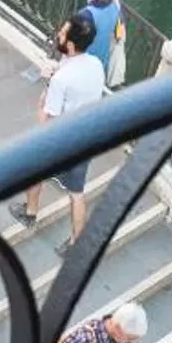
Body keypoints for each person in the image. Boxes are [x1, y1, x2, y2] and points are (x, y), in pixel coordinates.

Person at [16, 13, 109, 246]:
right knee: (76, 193)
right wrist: (57, 70)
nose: (58, 33)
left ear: (69, 44)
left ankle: (30, 212)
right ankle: (77, 241)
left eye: (63, 32)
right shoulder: (95, 64)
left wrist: (49, 83)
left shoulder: (62, 80)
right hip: (86, 137)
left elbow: (47, 116)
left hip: (61, 141)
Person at [71, 0, 127, 85]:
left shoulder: (86, 15)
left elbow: (73, 48)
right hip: (100, 63)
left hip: (81, 67)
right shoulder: (115, 4)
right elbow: (119, 27)